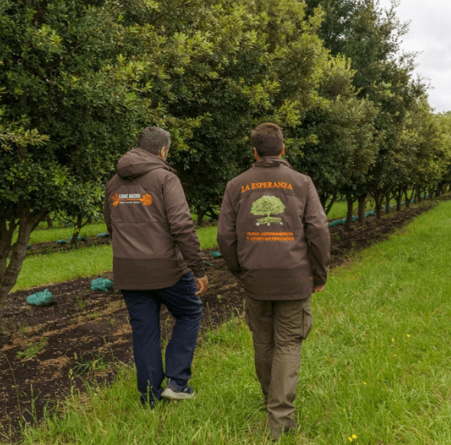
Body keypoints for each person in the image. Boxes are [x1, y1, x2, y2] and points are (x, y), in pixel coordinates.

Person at [217, 123, 330, 439]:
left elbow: (225, 236)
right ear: (283, 149)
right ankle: (279, 419)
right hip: (294, 278)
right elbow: (319, 231)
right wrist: (319, 273)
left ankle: (271, 400)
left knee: (264, 341)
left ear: (254, 151)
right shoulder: (301, 183)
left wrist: (240, 268)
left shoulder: (236, 185)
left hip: (256, 279)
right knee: (288, 343)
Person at [104, 126, 209, 407]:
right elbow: (182, 226)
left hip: (128, 272)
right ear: (163, 151)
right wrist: (197, 268)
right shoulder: (165, 178)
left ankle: (149, 398)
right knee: (188, 312)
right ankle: (177, 382)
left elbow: (111, 226)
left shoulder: (114, 182)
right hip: (167, 269)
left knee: (145, 331)